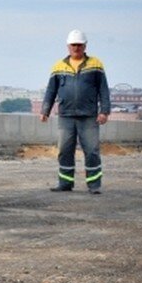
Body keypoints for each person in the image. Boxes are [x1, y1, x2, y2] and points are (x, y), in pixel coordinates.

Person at [40, 29, 110, 194]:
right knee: (64, 150)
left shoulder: (95, 65)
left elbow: (103, 90)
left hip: (89, 116)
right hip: (66, 116)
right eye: (73, 45)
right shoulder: (59, 66)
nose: (76, 48)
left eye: (79, 45)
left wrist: (104, 111)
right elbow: (51, 91)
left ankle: (94, 185)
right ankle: (65, 183)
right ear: (68, 46)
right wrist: (45, 110)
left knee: (92, 150)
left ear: (85, 46)